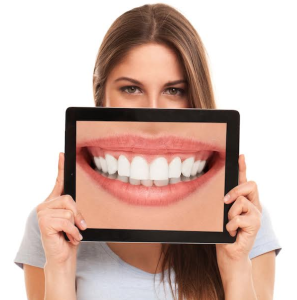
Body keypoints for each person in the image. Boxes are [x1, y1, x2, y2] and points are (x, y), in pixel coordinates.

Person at [14, 3, 281, 300]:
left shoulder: (244, 224)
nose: (153, 115)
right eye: (131, 89)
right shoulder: (51, 226)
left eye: (174, 91)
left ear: (196, 98)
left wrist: (235, 265)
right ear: (99, 95)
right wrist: (60, 267)